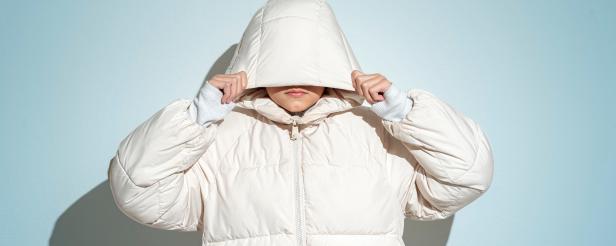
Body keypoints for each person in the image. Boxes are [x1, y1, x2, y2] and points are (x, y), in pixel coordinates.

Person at [107, 0, 494, 245]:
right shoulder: (219, 140)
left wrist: (403, 112)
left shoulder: (378, 135)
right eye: (280, 66)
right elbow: (137, 192)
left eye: (309, 65)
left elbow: (467, 176)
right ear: (255, 66)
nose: (295, 80)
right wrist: (197, 118)